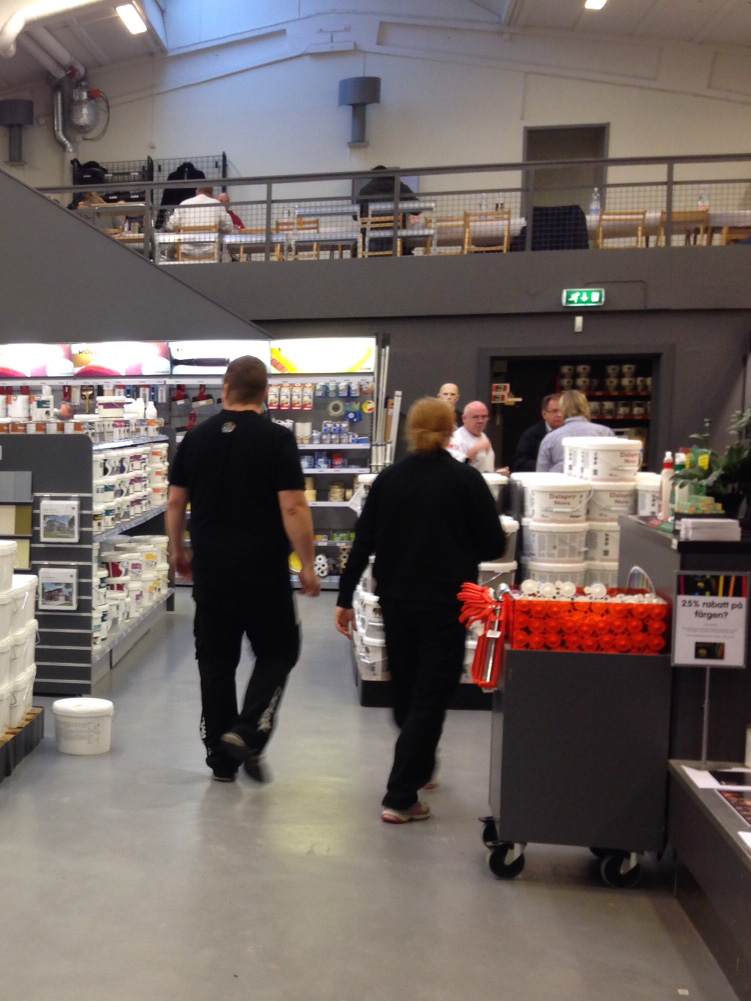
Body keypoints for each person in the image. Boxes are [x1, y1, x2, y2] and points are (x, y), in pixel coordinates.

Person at [334, 397, 505, 824]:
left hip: (396, 601)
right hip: (447, 602)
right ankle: (400, 795)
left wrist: (343, 599)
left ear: (412, 431)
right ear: (452, 430)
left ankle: (421, 762)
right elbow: (493, 545)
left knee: (408, 688)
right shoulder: (466, 480)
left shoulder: (389, 480)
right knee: (433, 693)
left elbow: (363, 542)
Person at [166, 355, 321, 784]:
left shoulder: (195, 439)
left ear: (226, 387)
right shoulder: (276, 440)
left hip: (213, 574)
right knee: (279, 651)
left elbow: (176, 502)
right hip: (263, 574)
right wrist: (307, 564)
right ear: (266, 392)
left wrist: (177, 550)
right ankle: (245, 729)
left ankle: (221, 758)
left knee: (216, 662)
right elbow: (293, 505)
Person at [536, 389, 614, 473]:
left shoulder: (550, 438)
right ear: (586, 407)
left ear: (562, 409)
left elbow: (541, 475)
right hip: (596, 485)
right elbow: (615, 468)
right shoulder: (605, 433)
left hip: (561, 484)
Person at [357, 165, 419, 255]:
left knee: (356, 251)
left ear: (372, 177)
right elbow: (417, 210)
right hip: (396, 242)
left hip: (370, 244)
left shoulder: (365, 191)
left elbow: (356, 216)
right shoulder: (399, 187)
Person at [164, 185, 232, 258]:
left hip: (186, 252)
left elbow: (169, 227)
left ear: (196, 192)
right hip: (211, 252)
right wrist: (218, 228)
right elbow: (229, 227)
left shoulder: (184, 204)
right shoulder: (217, 204)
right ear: (211, 194)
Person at [511, 394, 564, 472]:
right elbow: (520, 461)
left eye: (562, 411)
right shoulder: (532, 434)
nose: (559, 415)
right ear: (544, 414)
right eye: (554, 411)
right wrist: (544, 467)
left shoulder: (570, 432)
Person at [448, 401, 496, 472]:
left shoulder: (483, 436)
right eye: (476, 417)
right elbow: (457, 467)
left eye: (484, 417)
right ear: (464, 418)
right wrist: (477, 449)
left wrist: (496, 473)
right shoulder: (456, 439)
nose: (480, 421)